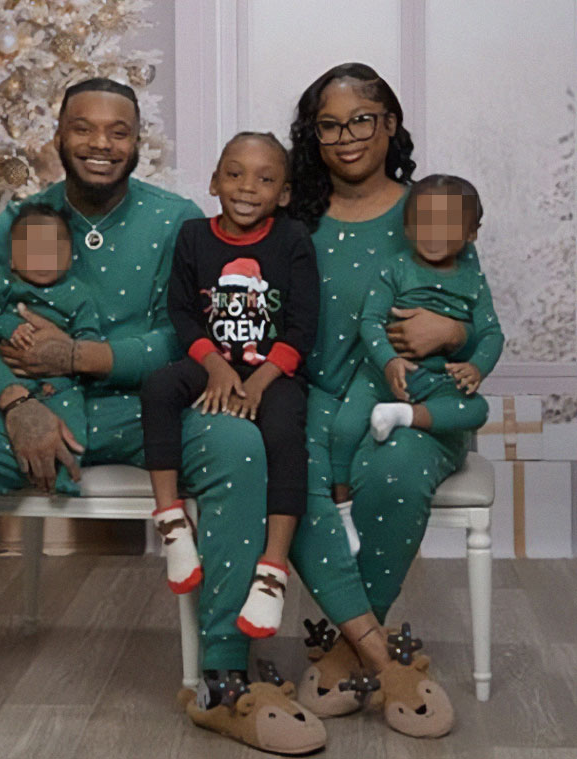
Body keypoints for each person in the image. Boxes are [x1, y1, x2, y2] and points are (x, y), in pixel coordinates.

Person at [0, 77, 325, 754]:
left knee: (237, 443)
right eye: (83, 127)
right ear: (57, 136)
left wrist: (80, 354)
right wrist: (14, 399)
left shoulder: (178, 221)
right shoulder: (14, 224)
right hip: (31, 410)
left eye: (118, 131)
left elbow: (182, 335)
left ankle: (225, 677)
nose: (100, 144)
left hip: (148, 407)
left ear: (137, 141)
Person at [275, 63, 496, 738]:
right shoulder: (294, 218)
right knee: (291, 472)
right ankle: (381, 654)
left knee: (393, 470)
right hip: (310, 396)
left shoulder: (428, 206)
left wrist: (453, 330)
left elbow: (473, 309)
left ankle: (343, 649)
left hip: (414, 398)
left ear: (390, 124)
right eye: (329, 125)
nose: (345, 137)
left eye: (361, 120)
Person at [141, 132, 319, 639]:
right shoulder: (195, 236)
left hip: (273, 370)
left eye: (265, 179)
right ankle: (172, 521)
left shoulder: (292, 240)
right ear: (215, 179)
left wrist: (261, 381)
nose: (247, 187)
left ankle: (272, 570)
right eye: (235, 173)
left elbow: (304, 326)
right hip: (213, 362)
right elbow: (181, 311)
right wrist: (215, 366)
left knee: (285, 434)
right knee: (158, 388)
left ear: (283, 194)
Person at [330, 174, 504, 508]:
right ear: (407, 228)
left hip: (440, 380)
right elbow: (371, 321)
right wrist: (389, 361)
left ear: (471, 234)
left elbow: (491, 333)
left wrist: (476, 367)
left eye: (448, 223)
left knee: (476, 409)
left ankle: (405, 416)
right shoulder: (394, 269)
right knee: (344, 427)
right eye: (424, 221)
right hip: (383, 376)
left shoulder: (473, 280)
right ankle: (342, 507)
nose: (434, 233)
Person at [0, 202, 103, 494]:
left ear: (69, 258)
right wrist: (7, 327)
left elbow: (91, 340)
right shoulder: (4, 284)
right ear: (14, 260)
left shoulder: (77, 295)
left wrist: (70, 350)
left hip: (59, 384)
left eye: (53, 250)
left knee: (73, 418)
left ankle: (67, 475)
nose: (43, 258)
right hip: (11, 379)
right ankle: (8, 466)